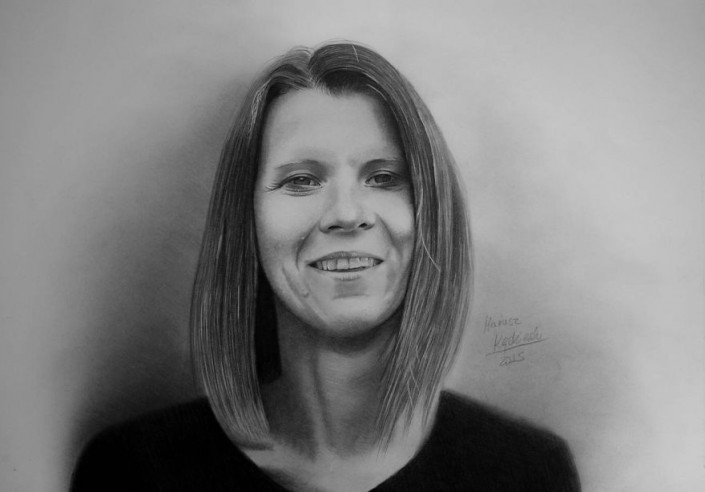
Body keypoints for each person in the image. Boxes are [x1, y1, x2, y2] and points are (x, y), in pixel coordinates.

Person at [71, 41, 580, 491]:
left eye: (384, 177)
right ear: (246, 218)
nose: (346, 213)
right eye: (301, 180)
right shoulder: (134, 471)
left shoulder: (528, 472)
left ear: (433, 215)